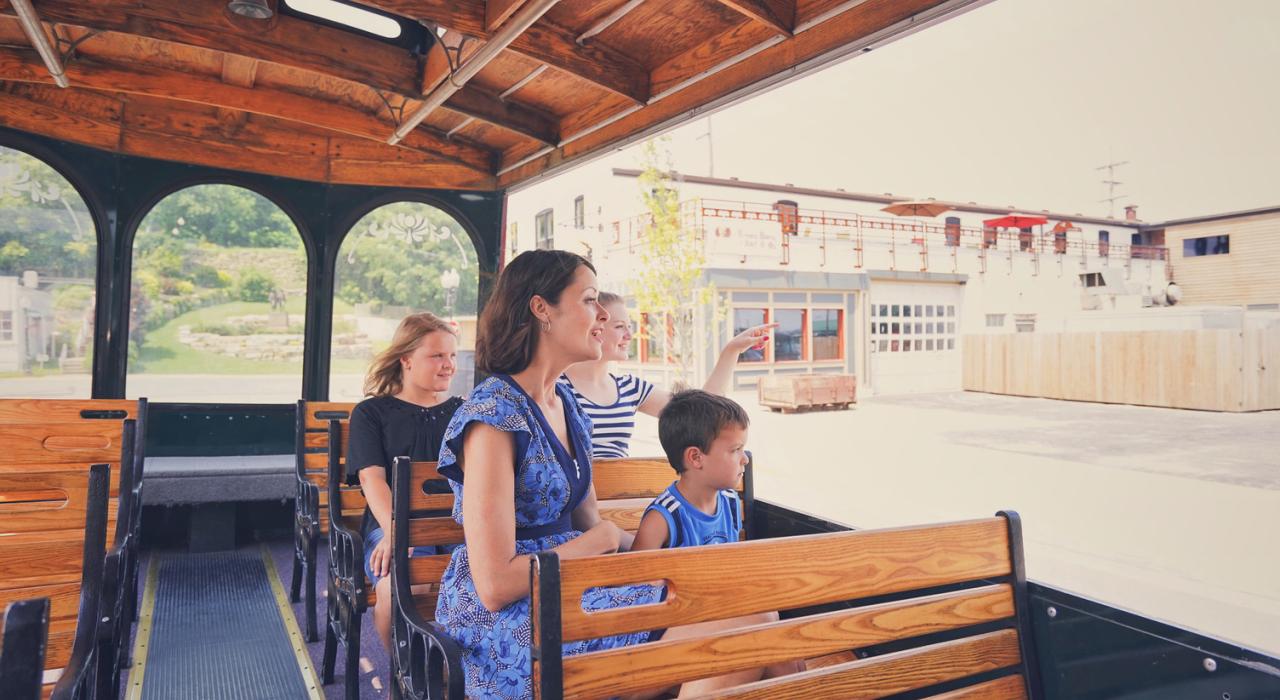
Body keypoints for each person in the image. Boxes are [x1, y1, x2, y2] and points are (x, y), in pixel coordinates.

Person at [433, 250, 660, 699]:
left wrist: (668, 553)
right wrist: (602, 542)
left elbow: (589, 521)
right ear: (542, 310)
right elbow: (496, 585)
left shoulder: (567, 405)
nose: (602, 315)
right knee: (708, 638)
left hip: (573, 583)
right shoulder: (493, 416)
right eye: (590, 300)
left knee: (734, 618)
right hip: (509, 621)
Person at [632, 390, 803, 695]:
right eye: (735, 449)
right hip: (673, 637)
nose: (745, 458)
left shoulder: (728, 504)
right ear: (695, 457)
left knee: (775, 635)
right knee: (771, 635)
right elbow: (634, 594)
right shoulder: (663, 519)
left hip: (721, 620)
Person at [346, 312, 463, 651]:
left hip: (455, 523)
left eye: (452, 355)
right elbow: (372, 480)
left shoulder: (462, 412)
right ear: (406, 359)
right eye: (437, 355)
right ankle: (405, 679)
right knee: (401, 587)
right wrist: (398, 534)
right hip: (394, 522)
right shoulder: (371, 413)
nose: (449, 365)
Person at [561, 292, 776, 458]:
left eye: (630, 326)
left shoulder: (630, 388)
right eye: (619, 327)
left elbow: (701, 413)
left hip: (621, 503)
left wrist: (732, 351)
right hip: (574, 508)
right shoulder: (554, 387)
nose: (629, 335)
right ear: (592, 327)